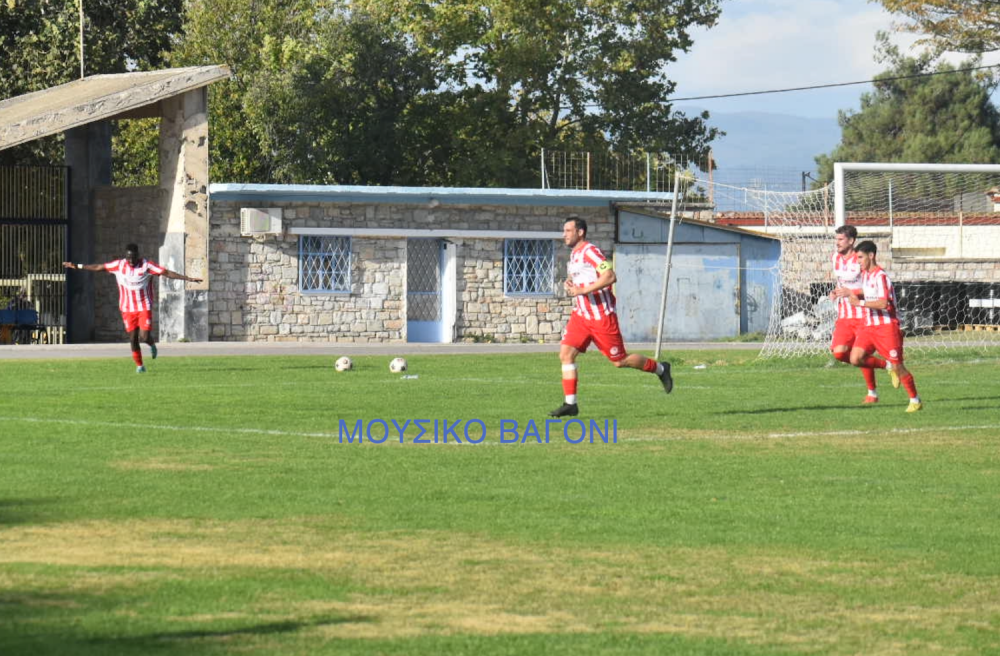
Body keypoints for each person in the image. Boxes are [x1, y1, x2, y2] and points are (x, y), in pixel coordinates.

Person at [550, 217, 673, 417]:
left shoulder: (591, 251)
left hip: (601, 316)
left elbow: (610, 276)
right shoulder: (574, 254)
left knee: (620, 360)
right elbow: (579, 276)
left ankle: (661, 369)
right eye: (564, 230)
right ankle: (570, 404)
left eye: (568, 230)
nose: (564, 234)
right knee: (566, 354)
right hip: (581, 316)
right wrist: (570, 283)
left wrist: (583, 290)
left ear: (580, 232)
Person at [63, 243, 202, 373]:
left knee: (144, 336)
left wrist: (187, 278)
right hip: (127, 308)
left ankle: (152, 344)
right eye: (128, 257)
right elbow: (99, 267)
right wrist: (77, 266)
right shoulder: (119, 265)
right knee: (133, 338)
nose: (130, 260)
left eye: (133, 257)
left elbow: (166, 272)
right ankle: (140, 366)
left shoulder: (146, 266)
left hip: (143, 307)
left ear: (137, 255)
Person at [846, 240, 922, 412]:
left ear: (871, 256)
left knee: (898, 366)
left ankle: (915, 400)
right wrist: (849, 292)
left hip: (886, 327)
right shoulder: (865, 275)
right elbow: (868, 292)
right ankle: (887, 367)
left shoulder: (882, 277)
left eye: (860, 257)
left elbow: (883, 304)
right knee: (855, 358)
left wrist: (860, 303)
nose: (858, 261)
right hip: (869, 326)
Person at [829, 225, 887, 403]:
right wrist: (835, 292)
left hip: (863, 315)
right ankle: (888, 365)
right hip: (845, 315)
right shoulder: (835, 258)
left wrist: (852, 293)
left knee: (859, 354)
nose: (837, 243)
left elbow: (871, 286)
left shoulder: (860, 259)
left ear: (851, 241)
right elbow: (841, 283)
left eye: (840, 239)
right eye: (836, 239)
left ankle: (872, 394)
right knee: (839, 353)